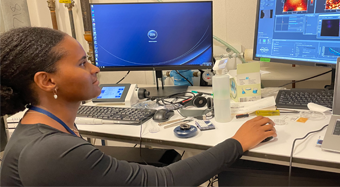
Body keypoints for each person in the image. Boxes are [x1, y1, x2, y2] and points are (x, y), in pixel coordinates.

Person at [0, 27, 276, 187]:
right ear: (47, 81)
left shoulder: (44, 127)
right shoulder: (50, 150)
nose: (95, 68)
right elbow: (164, 182)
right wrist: (237, 142)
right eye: (82, 63)